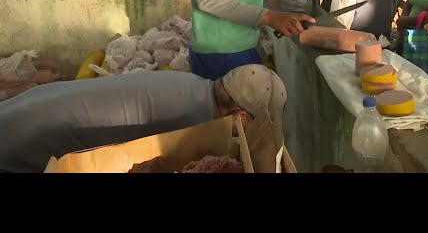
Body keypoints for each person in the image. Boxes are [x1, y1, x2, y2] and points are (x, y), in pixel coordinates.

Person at [0, 65, 287, 173]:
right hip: (26, 137)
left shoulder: (192, 84)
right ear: (239, 115)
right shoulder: (192, 122)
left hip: (29, 107)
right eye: (256, 123)